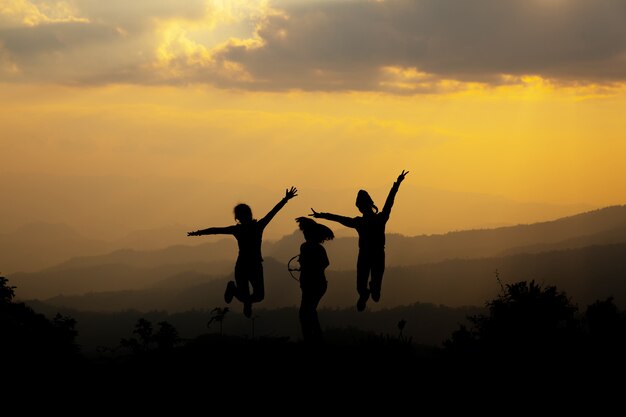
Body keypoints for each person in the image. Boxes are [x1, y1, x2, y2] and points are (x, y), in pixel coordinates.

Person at [188, 187, 298, 318]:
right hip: (254, 266)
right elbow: (273, 212)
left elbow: (216, 230)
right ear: (249, 214)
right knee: (258, 296)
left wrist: (198, 233)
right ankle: (245, 301)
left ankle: (239, 296)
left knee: (249, 295)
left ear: (237, 218)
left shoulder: (239, 229)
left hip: (243, 266)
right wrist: (285, 199)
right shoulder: (257, 226)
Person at [310, 170, 408, 312]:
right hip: (377, 255)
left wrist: (321, 215)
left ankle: (367, 293)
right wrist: (397, 184)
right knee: (373, 289)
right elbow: (389, 201)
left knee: (362, 286)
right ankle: (370, 291)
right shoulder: (379, 219)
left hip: (366, 256)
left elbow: (339, 218)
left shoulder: (360, 222)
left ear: (360, 207)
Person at [295, 217, 334, 344]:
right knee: (309, 312)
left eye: (306, 232)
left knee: (305, 312)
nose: (304, 234)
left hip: (313, 284)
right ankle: (315, 338)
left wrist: (309, 267)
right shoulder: (310, 247)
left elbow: (324, 263)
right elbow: (323, 263)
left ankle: (312, 338)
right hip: (314, 284)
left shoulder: (309, 247)